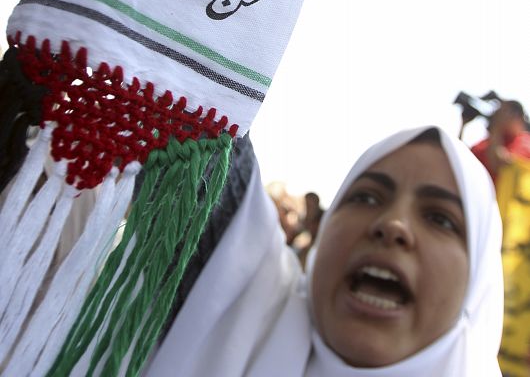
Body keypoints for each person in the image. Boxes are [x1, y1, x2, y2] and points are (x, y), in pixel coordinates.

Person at [145, 126, 504, 376]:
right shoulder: (246, 305)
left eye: (440, 219)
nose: (393, 224)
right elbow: (199, 96)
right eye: (365, 197)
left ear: (478, 283)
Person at [471, 100, 530, 183]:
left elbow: (499, 166)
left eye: (504, 112)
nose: (498, 116)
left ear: (518, 117)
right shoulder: (486, 143)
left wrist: (496, 129)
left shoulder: (525, 143)